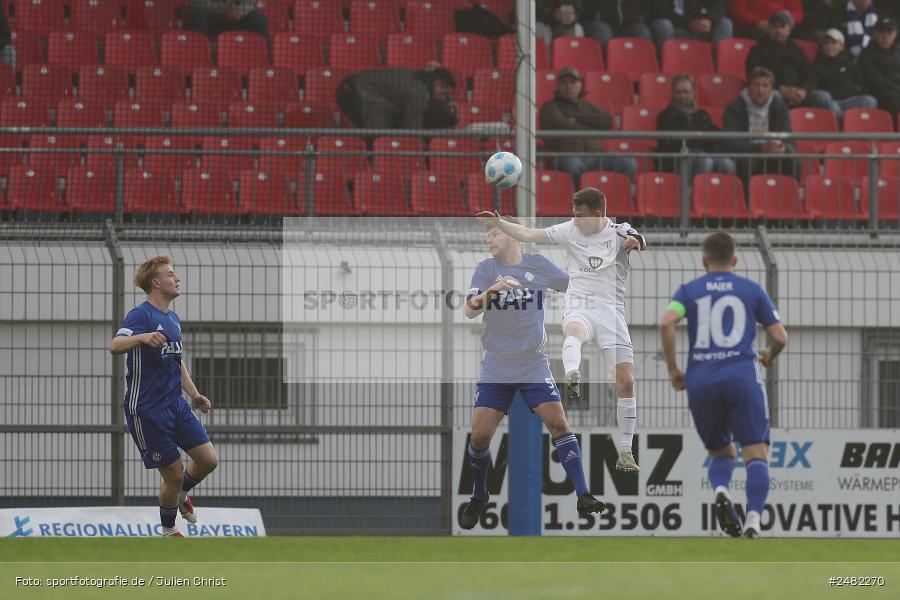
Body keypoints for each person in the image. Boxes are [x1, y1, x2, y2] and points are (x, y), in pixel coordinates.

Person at [477, 187, 648, 473]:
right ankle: (572, 373)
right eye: (573, 213)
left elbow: (640, 239)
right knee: (575, 331)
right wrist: (499, 223)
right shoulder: (569, 230)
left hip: (611, 311)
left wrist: (635, 241)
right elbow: (530, 234)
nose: (575, 219)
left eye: (580, 215)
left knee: (626, 382)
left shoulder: (619, 231)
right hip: (579, 303)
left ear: (598, 215)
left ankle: (626, 452)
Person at [460, 217, 607, 528]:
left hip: (532, 363)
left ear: (514, 235)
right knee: (480, 435)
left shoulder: (538, 265)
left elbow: (574, 284)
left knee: (559, 423)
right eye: (488, 235)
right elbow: (470, 308)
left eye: (495, 233)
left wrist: (599, 258)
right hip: (498, 364)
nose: (490, 240)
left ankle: (583, 493)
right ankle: (480, 493)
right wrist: (494, 290)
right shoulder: (486, 269)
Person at [659, 232, 788, 538]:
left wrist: (674, 369)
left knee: (721, 452)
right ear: (735, 260)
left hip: (701, 381)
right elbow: (781, 336)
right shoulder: (752, 290)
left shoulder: (689, 291)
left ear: (704, 261)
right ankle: (754, 521)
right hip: (741, 377)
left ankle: (720, 490)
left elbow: (666, 322)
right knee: (756, 453)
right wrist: (771, 353)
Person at [107, 256, 218, 537]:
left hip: (176, 405)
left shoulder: (172, 318)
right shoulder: (141, 315)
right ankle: (169, 531)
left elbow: (176, 360)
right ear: (156, 283)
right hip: (147, 410)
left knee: (208, 460)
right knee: (174, 474)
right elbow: (115, 345)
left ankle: (180, 494)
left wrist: (194, 393)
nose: (177, 278)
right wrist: (142, 337)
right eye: (170, 274)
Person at [538, 66, 638, 184]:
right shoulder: (549, 107)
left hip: (596, 156)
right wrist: (593, 128)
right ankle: (580, 198)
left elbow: (607, 120)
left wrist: (576, 119)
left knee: (628, 162)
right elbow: (561, 124)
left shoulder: (588, 106)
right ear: (558, 87)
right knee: (571, 164)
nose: (569, 86)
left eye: (573, 82)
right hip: (565, 155)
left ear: (580, 85)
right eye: (564, 82)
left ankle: (616, 197)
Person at [745, 11, 839, 116]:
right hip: (774, 92)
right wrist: (781, 89)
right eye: (775, 26)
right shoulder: (757, 49)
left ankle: (834, 130)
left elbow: (810, 73)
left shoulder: (796, 49)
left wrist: (804, 90)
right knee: (774, 96)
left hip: (798, 94)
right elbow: (754, 75)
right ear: (769, 28)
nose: (779, 30)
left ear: (789, 30)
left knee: (823, 96)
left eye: (782, 26)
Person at [722, 67, 797, 184]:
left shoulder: (780, 107)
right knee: (747, 162)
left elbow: (789, 138)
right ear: (748, 88)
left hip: (772, 154)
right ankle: (749, 201)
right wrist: (760, 148)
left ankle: (789, 200)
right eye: (756, 85)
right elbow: (730, 142)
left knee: (793, 160)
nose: (760, 90)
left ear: (771, 90)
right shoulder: (734, 107)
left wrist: (784, 148)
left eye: (765, 86)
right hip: (747, 154)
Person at [656, 73, 736, 176]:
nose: (682, 96)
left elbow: (715, 137)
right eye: (678, 92)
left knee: (727, 163)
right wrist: (701, 138)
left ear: (693, 93)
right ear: (672, 93)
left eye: (686, 92)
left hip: (705, 155)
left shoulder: (702, 115)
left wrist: (693, 138)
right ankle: (698, 192)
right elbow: (673, 143)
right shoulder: (665, 116)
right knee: (705, 160)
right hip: (677, 160)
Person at [336, 65, 458, 129]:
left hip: (349, 88)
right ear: (438, 84)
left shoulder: (417, 78)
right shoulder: (420, 93)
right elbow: (411, 130)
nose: (443, 98)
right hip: (355, 93)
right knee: (381, 138)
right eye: (444, 94)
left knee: (390, 122)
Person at [813, 28, 878, 119]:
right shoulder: (816, 65)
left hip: (849, 101)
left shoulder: (849, 64)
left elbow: (861, 83)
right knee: (824, 97)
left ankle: (849, 122)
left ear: (841, 46)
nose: (829, 46)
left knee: (870, 100)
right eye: (826, 43)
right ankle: (844, 122)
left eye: (833, 43)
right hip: (831, 102)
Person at [184, 0, 270, 51]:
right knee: (199, 17)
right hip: (213, 21)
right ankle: (199, 54)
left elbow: (250, 3)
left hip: (236, 19)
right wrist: (224, 10)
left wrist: (241, 10)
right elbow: (194, 4)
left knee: (258, 18)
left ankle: (260, 53)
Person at [649, 0, 733, 51]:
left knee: (725, 23)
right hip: (674, 26)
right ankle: (667, 66)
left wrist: (710, 20)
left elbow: (719, 4)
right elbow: (660, 10)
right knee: (663, 25)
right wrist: (689, 23)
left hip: (698, 26)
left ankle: (717, 73)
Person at [858, 16, 900, 115]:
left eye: (889, 32)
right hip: (879, 94)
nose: (885, 36)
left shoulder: (898, 52)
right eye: (882, 32)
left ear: (895, 34)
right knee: (891, 97)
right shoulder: (866, 54)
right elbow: (876, 81)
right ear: (875, 33)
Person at [580, 0, 654, 47]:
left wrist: (641, 17)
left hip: (630, 24)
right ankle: (604, 69)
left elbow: (647, 6)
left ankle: (638, 68)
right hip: (600, 22)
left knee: (642, 34)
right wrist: (596, 17)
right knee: (603, 34)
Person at [729, 0, 804, 39]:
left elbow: (798, 11)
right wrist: (758, 22)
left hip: (783, 25)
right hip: (754, 27)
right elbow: (737, 11)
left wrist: (791, 19)